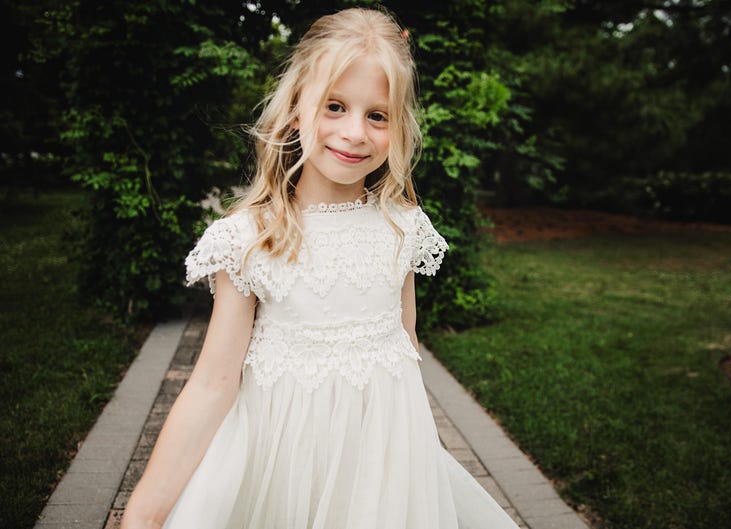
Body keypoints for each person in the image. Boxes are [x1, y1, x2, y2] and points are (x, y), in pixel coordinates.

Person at [121, 7, 520, 529]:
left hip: (382, 474)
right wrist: (145, 512)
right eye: (335, 106)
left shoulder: (402, 228)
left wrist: (417, 458)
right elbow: (213, 383)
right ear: (294, 108)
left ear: (397, 127)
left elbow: (405, 347)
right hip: (283, 469)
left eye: (377, 115)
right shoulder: (251, 238)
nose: (354, 132)